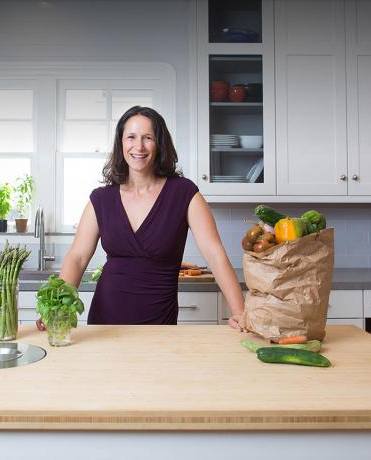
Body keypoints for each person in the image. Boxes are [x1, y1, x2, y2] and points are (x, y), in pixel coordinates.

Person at [41, 106, 245, 330]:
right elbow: (77, 258)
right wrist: (55, 306)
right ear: (121, 143)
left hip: (159, 323)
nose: (138, 146)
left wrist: (240, 313)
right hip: (105, 321)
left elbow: (215, 255)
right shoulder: (101, 199)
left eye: (148, 138)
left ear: (160, 144)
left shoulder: (184, 193)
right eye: (131, 137)